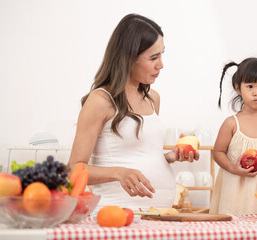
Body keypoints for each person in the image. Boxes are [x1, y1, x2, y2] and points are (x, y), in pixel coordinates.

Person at [67, 13, 199, 216]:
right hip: (115, 215)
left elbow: (140, 155)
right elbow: (73, 170)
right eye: (153, 57)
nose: (161, 64)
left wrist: (169, 158)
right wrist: (118, 172)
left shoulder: (153, 98)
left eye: (162, 54)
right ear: (128, 58)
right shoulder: (101, 101)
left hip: (158, 215)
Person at [209, 58, 257, 215]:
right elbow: (217, 152)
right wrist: (234, 168)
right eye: (250, 86)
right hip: (234, 198)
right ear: (238, 88)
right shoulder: (231, 123)